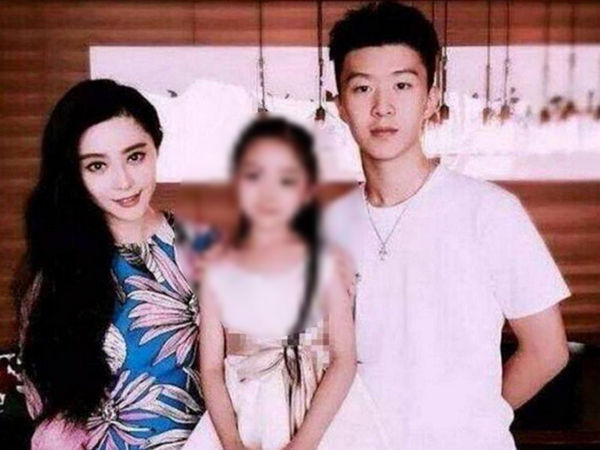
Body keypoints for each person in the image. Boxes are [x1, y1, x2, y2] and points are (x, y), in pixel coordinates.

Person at [323, 2, 571, 449]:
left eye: (402, 85)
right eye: (362, 88)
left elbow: (547, 350)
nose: (383, 107)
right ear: (340, 105)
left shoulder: (489, 212)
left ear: (431, 98)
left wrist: (476, 419)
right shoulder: (325, 226)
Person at [15, 79, 217, 449]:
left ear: (156, 148)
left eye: (135, 157)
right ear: (74, 173)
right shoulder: (57, 272)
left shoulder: (208, 246)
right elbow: (47, 416)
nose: (123, 181)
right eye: (97, 165)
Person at [183, 117, 390, 450]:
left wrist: (304, 443)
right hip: (246, 420)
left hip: (322, 422)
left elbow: (343, 360)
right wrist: (232, 442)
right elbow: (210, 368)